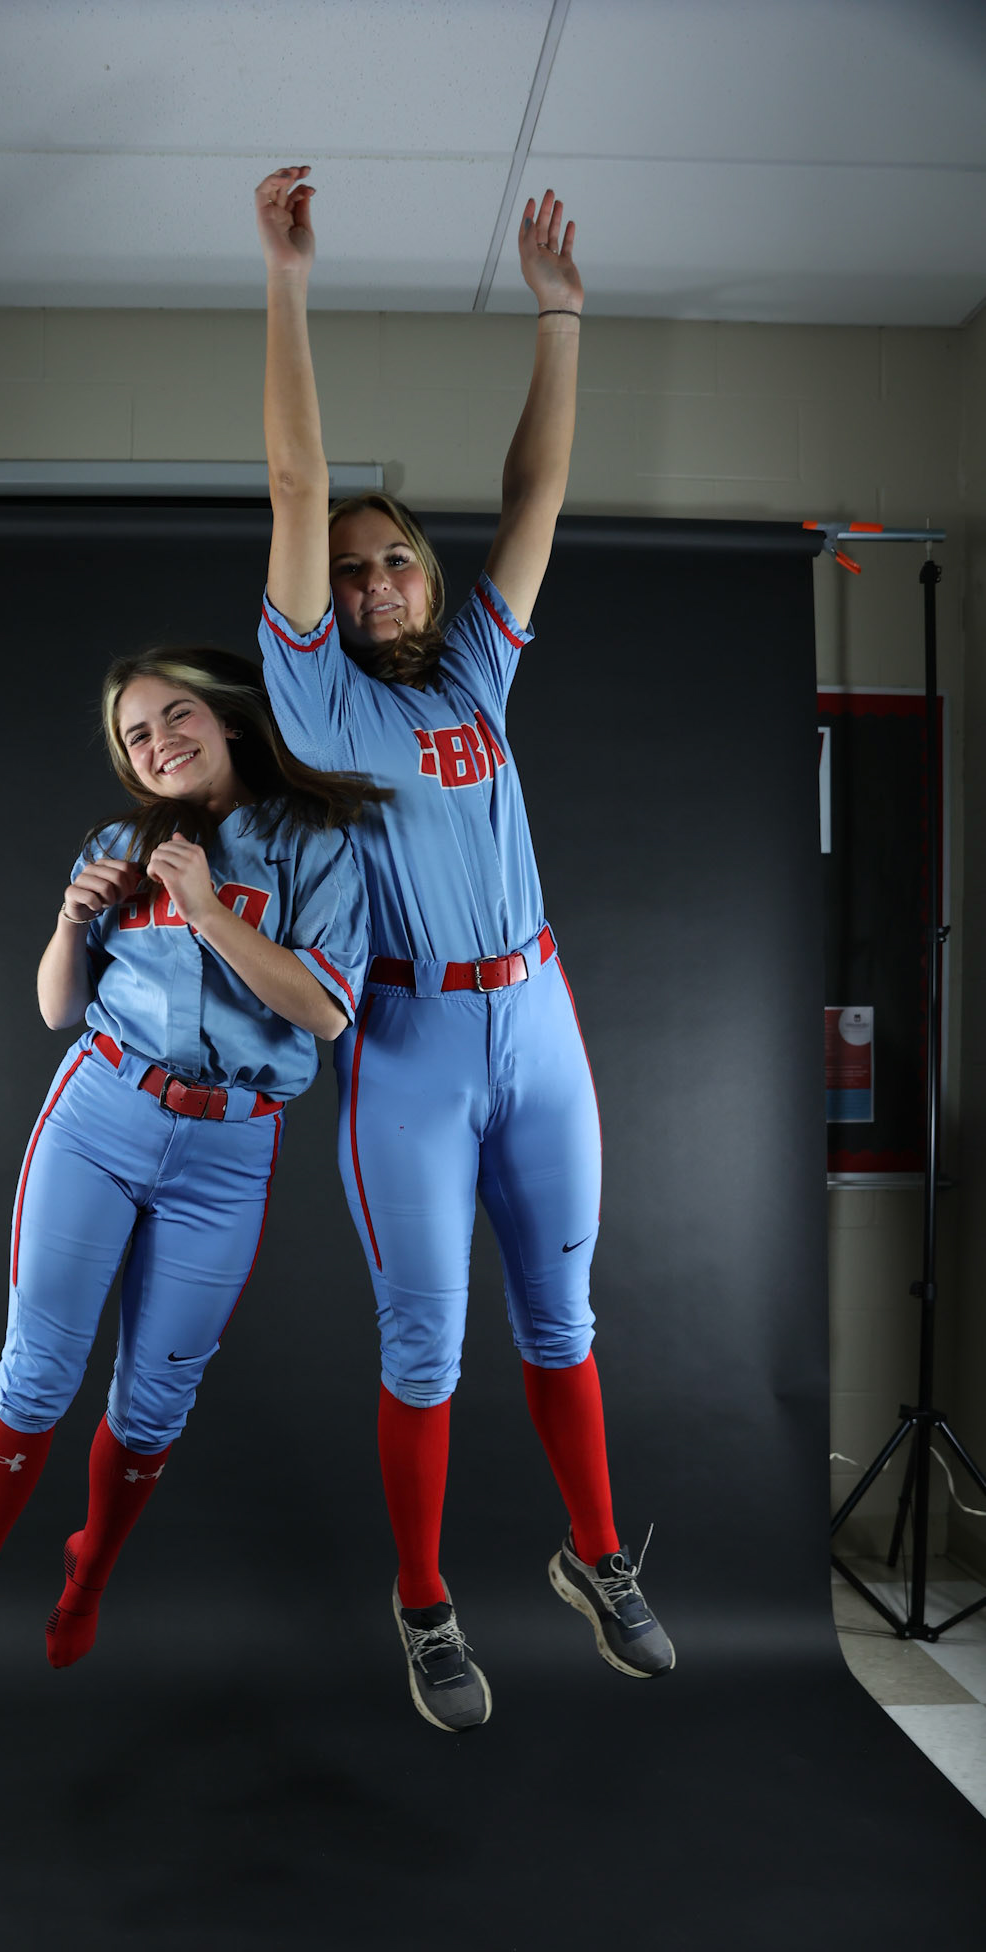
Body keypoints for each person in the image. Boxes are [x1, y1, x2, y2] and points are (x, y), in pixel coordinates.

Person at [254, 166, 674, 1733]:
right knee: (426, 1337)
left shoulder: (475, 682)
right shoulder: (321, 703)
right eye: (351, 568)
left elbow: (535, 503)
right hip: (412, 1051)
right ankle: (425, 1606)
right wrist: (288, 283)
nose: (369, 579)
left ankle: (593, 1561)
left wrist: (560, 317)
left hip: (539, 1023)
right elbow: (300, 489)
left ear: (426, 580)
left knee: (560, 1319)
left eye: (393, 561)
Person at [0, 646, 374, 1725]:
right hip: (105, 1110)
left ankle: (87, 1575)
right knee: (37, 1372)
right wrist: (72, 917)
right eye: (136, 733)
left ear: (224, 720)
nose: (159, 739)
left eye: (177, 715)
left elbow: (323, 1011)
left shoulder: (318, 845)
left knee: (157, 1400)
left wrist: (213, 910)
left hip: (229, 1147)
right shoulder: (118, 844)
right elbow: (53, 1007)